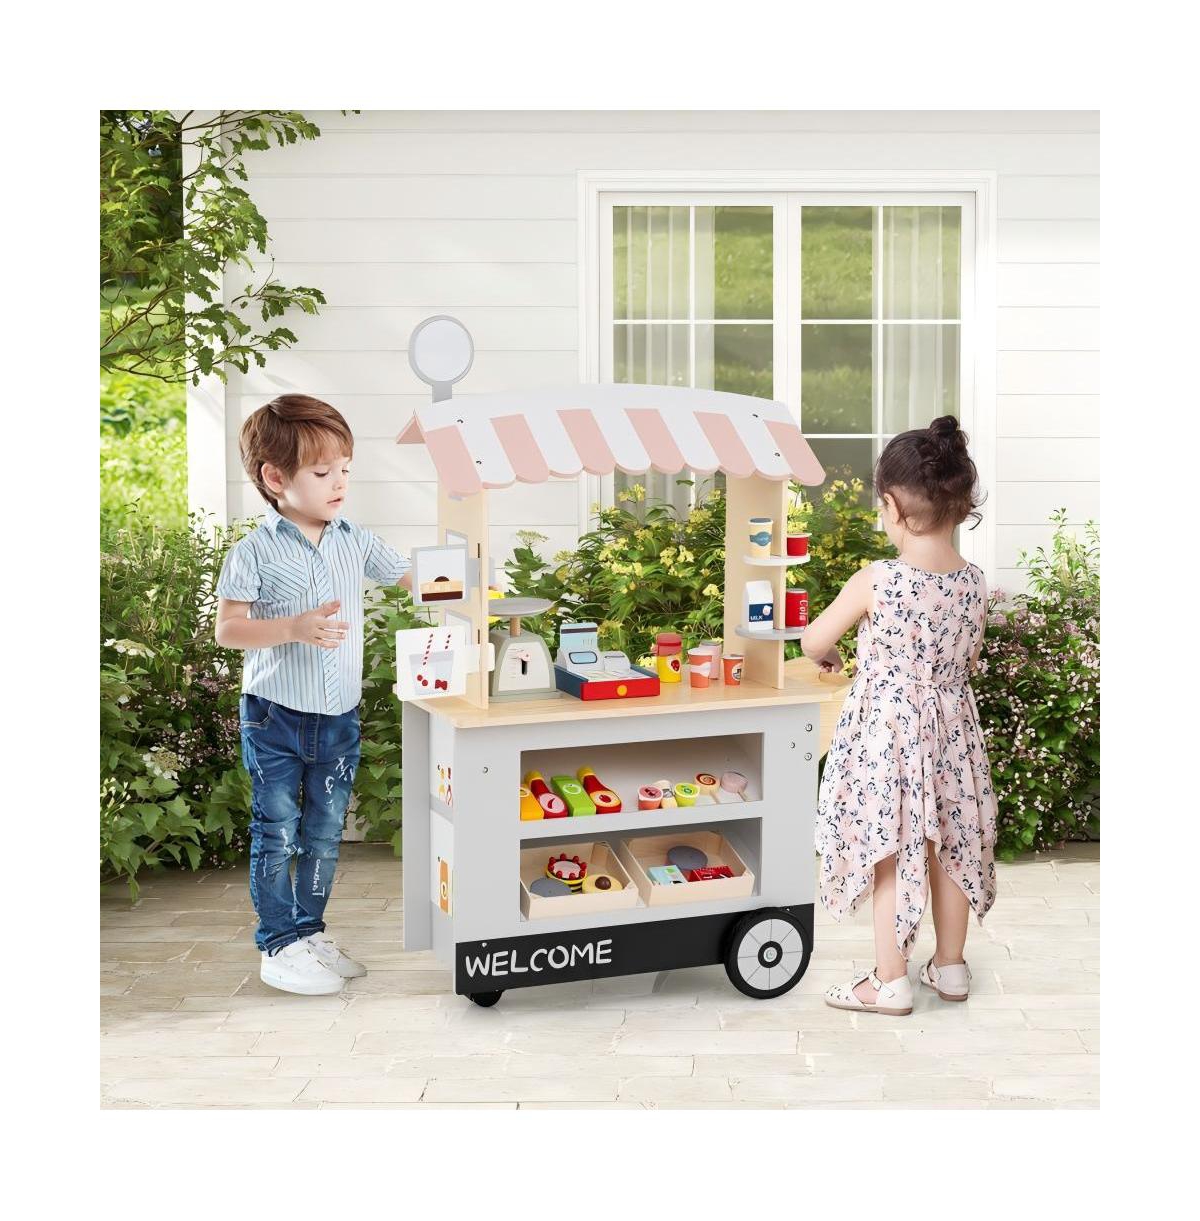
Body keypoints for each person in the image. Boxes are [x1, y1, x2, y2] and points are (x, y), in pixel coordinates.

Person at [801, 415, 998, 1017]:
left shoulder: (878, 580)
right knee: (951, 846)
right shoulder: (974, 583)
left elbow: (813, 642)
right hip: (953, 734)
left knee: (890, 845)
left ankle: (889, 980)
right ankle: (952, 968)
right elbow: (961, 654)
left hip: (889, 732)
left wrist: (837, 652)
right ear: (961, 507)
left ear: (889, 504)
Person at [215, 395, 411, 995]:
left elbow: (418, 578)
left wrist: (476, 585)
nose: (340, 484)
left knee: (325, 831)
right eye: (323, 473)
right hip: (274, 715)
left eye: (345, 469)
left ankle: (309, 930)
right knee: (277, 829)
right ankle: (279, 945)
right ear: (276, 478)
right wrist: (293, 628)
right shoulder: (254, 551)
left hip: (338, 718)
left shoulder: (356, 540)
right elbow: (227, 630)